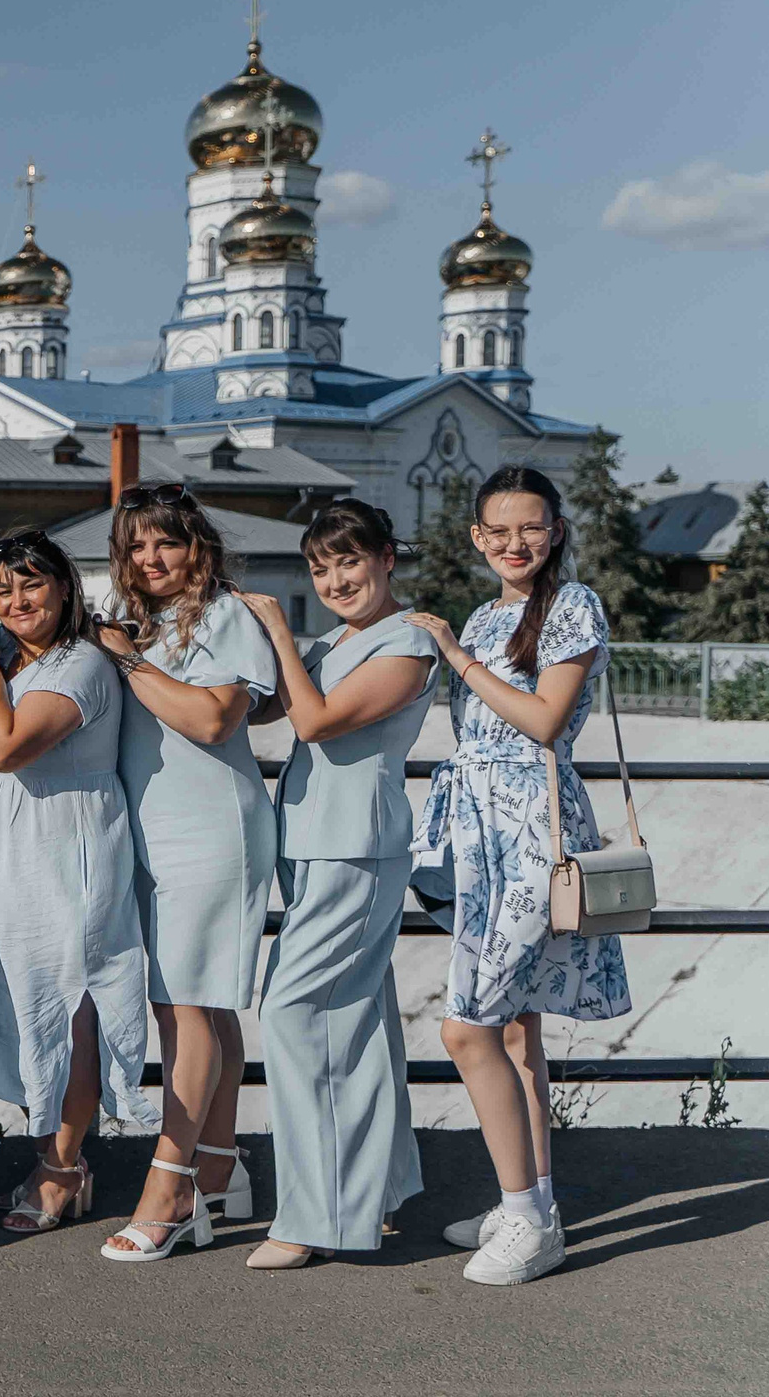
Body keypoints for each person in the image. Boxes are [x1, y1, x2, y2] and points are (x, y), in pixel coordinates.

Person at [410, 466, 629, 1288]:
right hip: (479, 834)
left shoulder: (571, 607)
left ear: (557, 529)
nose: (514, 543)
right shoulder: (485, 610)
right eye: (498, 531)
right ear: (476, 537)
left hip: (534, 833)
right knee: (512, 1031)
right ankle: (529, 1201)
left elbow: (542, 720)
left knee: (467, 1028)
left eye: (530, 528)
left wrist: (458, 659)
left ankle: (532, 1223)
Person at [236, 500, 437, 1270]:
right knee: (357, 1020)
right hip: (318, 848)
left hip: (356, 849)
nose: (335, 579)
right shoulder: (337, 641)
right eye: (319, 569)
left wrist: (281, 635)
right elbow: (266, 707)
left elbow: (315, 721)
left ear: (388, 557)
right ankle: (378, 1191)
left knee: (297, 1014)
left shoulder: (411, 640)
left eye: (349, 561)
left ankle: (315, 1217)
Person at [0, 528, 155, 1238]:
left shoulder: (80, 666)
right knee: (29, 1003)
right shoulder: (23, 666)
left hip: (68, 852)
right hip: (21, 861)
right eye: (3, 589)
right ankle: (54, 1153)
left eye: (31, 584)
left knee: (72, 1006)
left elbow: (5, 748)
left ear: (65, 587)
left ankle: (65, 1166)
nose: (15, 600)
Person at [98, 483, 278, 1261]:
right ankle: (219, 1164)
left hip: (211, 831)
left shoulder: (227, 614)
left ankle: (168, 1189)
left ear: (195, 545)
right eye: (136, 546)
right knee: (205, 1006)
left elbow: (212, 719)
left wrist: (128, 659)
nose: (149, 558)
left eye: (164, 542)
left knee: (185, 1010)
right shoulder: (141, 617)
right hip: (152, 831)